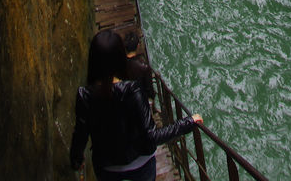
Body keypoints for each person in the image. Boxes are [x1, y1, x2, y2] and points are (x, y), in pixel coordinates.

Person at [69, 30, 202, 181]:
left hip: (106, 165)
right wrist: (187, 123)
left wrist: (76, 160)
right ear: (120, 57)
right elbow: (151, 136)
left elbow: (80, 133)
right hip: (140, 164)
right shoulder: (132, 90)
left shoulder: (84, 95)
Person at [123, 31, 154, 102]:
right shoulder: (144, 67)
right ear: (138, 46)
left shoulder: (120, 64)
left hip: (125, 101)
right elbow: (150, 92)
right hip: (140, 101)